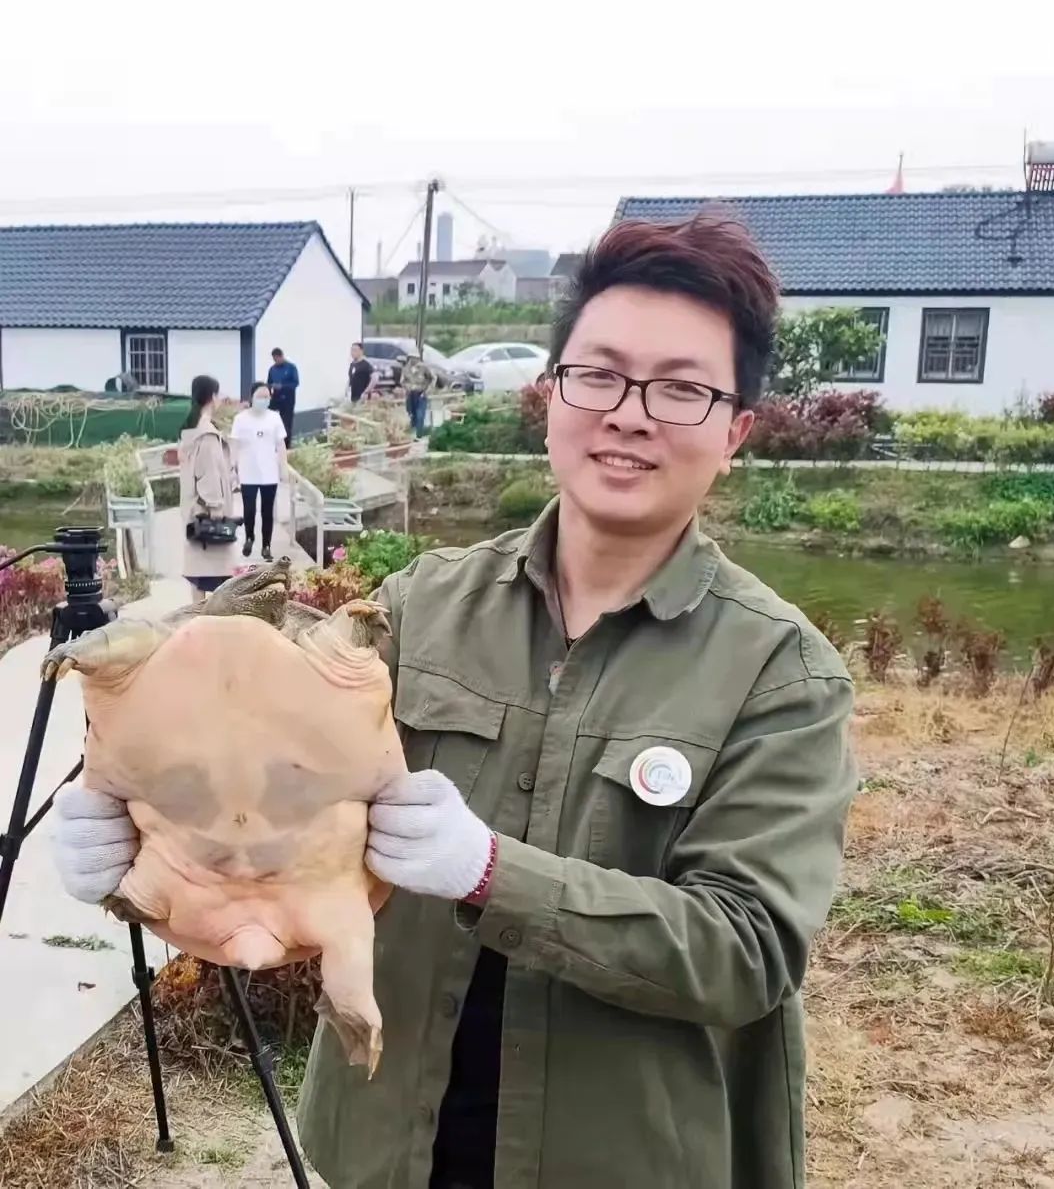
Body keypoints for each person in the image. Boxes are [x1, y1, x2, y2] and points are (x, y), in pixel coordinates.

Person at [50, 212, 859, 1189]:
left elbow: (746, 950)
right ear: (550, 395)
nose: (631, 413)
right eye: (599, 374)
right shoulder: (417, 608)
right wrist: (133, 841)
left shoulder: (780, 675)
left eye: (681, 388)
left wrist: (488, 872)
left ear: (734, 432)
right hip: (391, 1147)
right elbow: (279, 808)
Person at [176, 374, 244, 603]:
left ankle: (196, 627)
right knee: (218, 581)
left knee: (198, 581)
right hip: (208, 516)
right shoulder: (206, 435)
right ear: (212, 397)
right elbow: (210, 476)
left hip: (194, 513)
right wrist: (217, 511)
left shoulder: (189, 429)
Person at [230, 381, 287, 561]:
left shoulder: (274, 418)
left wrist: (283, 467)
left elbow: (281, 444)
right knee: (249, 509)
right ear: (252, 398)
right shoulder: (241, 419)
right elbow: (235, 445)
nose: (264, 399)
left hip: (269, 472)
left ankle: (266, 545)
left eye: (267, 396)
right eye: (260, 396)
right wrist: (233, 468)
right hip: (248, 471)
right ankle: (249, 538)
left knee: (267, 510)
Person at [267, 347, 300, 447]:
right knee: (271, 419)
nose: (275, 361)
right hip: (276, 398)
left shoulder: (291, 368)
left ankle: (286, 446)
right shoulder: (272, 369)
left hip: (288, 399)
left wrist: (282, 386)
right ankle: (272, 442)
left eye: (277, 359)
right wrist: (270, 389)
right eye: (274, 360)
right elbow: (268, 383)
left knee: (286, 423)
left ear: (281, 356)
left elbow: (295, 383)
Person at [401, 353, 434, 437]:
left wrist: (427, 391)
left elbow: (433, 379)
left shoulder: (424, 368)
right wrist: (406, 387)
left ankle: (419, 434)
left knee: (420, 414)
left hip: (421, 393)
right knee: (411, 414)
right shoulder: (406, 369)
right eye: (411, 358)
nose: (413, 360)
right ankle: (412, 433)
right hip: (410, 393)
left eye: (415, 358)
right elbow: (402, 381)